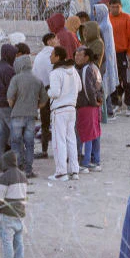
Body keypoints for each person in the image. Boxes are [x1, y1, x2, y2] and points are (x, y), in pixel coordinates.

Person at [7, 54, 48, 178]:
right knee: (29, 143)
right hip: (31, 115)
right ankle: (28, 170)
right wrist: (35, 107)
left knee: (15, 143)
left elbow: (10, 98)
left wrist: (14, 107)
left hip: (17, 115)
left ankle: (17, 169)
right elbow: (44, 99)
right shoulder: (37, 80)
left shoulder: (15, 79)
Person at [47, 46, 83, 181]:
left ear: (58, 57)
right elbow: (79, 87)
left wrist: (48, 92)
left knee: (59, 141)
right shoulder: (73, 70)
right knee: (71, 139)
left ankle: (61, 171)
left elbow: (55, 93)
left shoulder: (55, 73)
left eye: (52, 54)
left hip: (59, 109)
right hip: (71, 108)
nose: (50, 57)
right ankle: (74, 170)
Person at [0, 151, 28, 258]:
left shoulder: (4, 178)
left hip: (7, 213)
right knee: (18, 241)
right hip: (20, 213)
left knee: (6, 241)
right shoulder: (23, 176)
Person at [75, 46, 104, 172]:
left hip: (87, 106)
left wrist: (93, 102)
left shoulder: (86, 69)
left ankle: (86, 162)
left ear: (86, 57)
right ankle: (95, 160)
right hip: (94, 106)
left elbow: (88, 89)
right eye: (76, 55)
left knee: (86, 135)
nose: (76, 57)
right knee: (94, 133)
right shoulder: (94, 67)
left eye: (79, 55)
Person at [108, 0, 130, 116]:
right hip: (111, 54)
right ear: (109, 7)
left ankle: (129, 104)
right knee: (114, 80)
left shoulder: (127, 18)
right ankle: (116, 103)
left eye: (117, 7)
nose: (115, 9)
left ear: (121, 7)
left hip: (123, 53)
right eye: (113, 7)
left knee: (127, 80)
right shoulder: (107, 19)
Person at [0, 44, 19, 170]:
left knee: (2, 135)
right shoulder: (9, 69)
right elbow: (12, 89)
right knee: (15, 134)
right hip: (7, 104)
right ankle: (15, 162)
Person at [33, 34, 59, 160]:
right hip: (53, 91)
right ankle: (58, 150)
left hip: (42, 91)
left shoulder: (38, 56)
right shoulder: (53, 56)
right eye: (55, 39)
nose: (58, 41)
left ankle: (44, 150)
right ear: (49, 41)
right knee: (57, 122)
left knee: (44, 122)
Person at [91, 4, 120, 115]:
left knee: (104, 84)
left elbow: (106, 46)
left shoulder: (105, 26)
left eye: (96, 11)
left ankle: (108, 111)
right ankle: (108, 110)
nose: (94, 14)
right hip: (107, 59)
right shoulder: (103, 24)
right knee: (104, 85)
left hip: (106, 59)